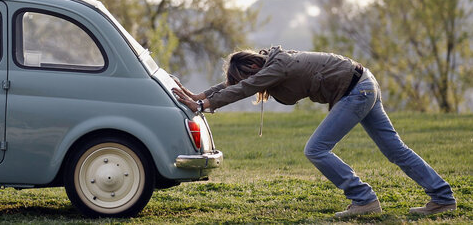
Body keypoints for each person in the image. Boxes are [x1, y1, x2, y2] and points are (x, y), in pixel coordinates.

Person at [172, 46, 456, 218]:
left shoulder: (278, 66)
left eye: (247, 76)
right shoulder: (272, 64)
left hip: (356, 90)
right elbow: (233, 86)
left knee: (316, 149)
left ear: (254, 65)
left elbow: (244, 87)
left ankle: (364, 199)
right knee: (395, 149)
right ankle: (443, 198)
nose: (250, 84)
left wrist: (203, 104)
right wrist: (198, 96)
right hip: (363, 84)